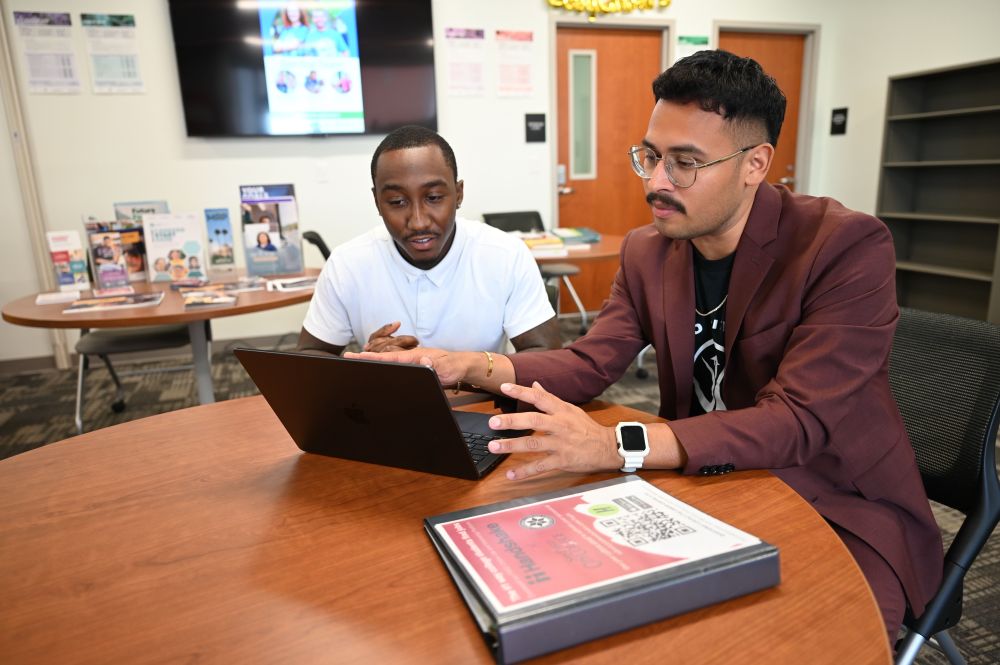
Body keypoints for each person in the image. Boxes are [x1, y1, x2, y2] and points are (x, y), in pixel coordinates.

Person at [355, 51, 943, 643]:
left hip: (836, 501)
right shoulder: (648, 251)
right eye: (651, 156)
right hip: (703, 481)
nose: (656, 182)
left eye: (684, 164)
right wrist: (462, 365)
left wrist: (617, 444)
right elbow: (589, 363)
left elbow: (797, 422)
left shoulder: (842, 246)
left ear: (754, 164)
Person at [298, 125, 561, 356]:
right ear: (377, 201)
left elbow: (548, 356)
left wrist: (465, 366)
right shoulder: (347, 263)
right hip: (388, 407)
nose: (419, 221)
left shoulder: (505, 255)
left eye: (434, 197)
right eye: (397, 202)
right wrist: (370, 366)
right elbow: (310, 355)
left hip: (482, 408)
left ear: (458, 194)